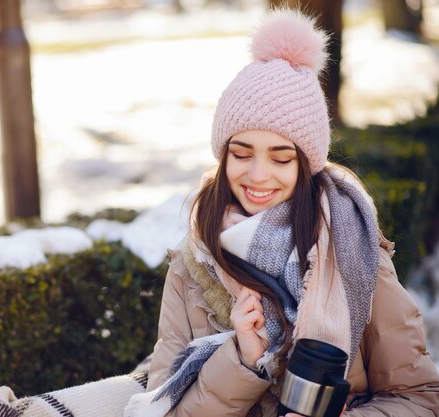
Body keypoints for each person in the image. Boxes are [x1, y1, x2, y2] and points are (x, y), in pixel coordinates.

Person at [125, 7, 439, 417]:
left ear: (305, 164)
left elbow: (418, 397)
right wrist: (241, 359)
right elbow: (164, 409)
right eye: (241, 153)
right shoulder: (194, 263)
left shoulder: (355, 253)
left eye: (280, 158)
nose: (258, 175)